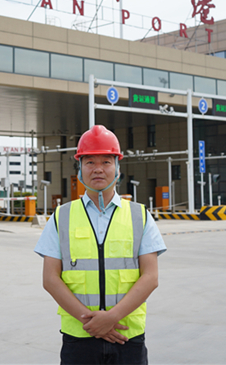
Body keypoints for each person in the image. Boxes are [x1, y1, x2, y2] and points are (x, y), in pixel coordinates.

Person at [34, 125, 166, 365]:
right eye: (89, 162)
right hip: (79, 338)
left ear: (117, 168)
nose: (97, 169)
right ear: (79, 168)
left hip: (127, 337)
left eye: (106, 161)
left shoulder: (140, 216)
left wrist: (112, 317)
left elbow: (151, 277)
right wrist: (92, 323)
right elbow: (50, 279)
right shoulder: (61, 216)